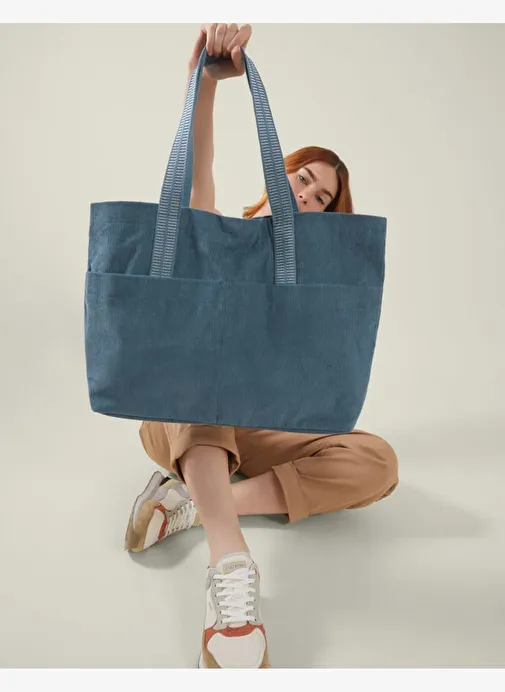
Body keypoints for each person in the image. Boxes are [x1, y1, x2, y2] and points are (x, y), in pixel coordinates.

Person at [124, 24, 399, 669]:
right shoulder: (223, 235)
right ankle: (231, 564)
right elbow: (199, 171)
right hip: (181, 413)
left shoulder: (312, 280)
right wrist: (206, 85)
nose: (307, 195)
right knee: (206, 374)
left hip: (256, 433)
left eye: (322, 197)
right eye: (302, 178)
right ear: (280, 173)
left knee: (378, 461)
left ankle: (192, 505)